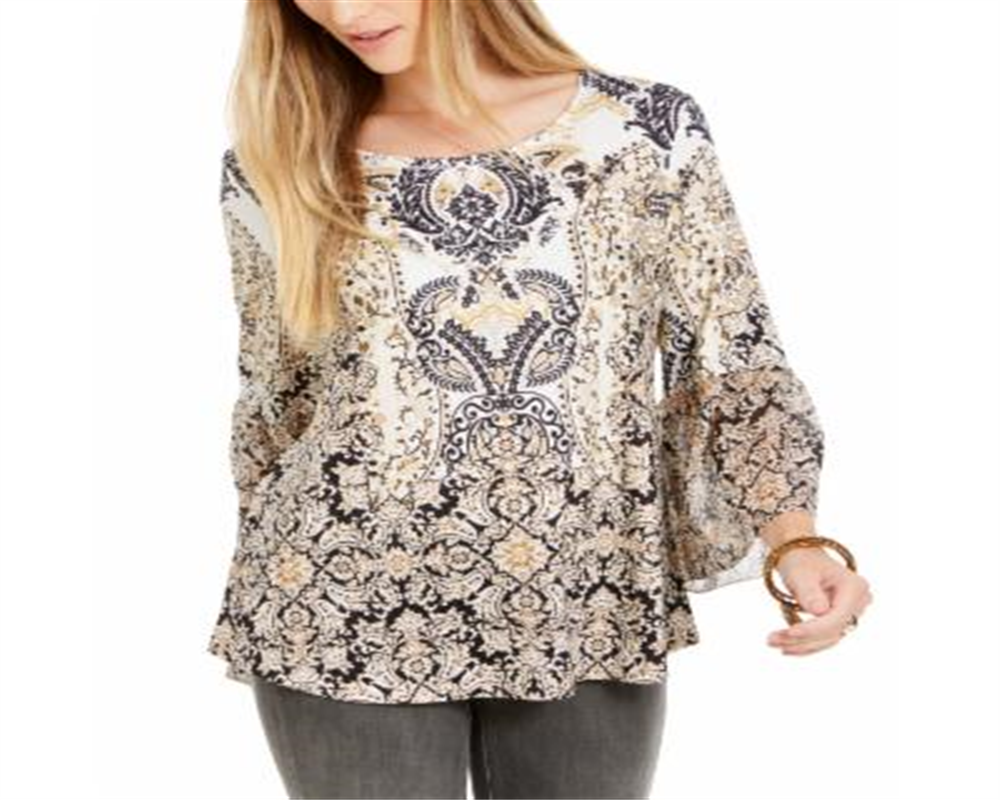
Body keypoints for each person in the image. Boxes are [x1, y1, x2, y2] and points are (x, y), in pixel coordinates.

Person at [205, 1, 874, 798]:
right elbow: (276, 394)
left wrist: (796, 540)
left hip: (587, 591)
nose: (345, 11)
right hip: (344, 594)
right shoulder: (279, 161)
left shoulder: (640, 131)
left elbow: (730, 352)